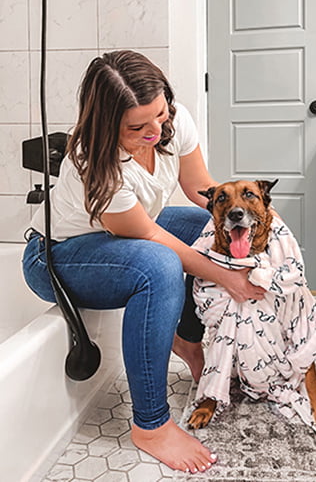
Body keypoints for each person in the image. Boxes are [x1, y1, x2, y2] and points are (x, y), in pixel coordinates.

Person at [22, 50, 266, 473]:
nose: (156, 130)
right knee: (160, 266)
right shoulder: (91, 162)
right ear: (107, 126)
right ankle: (150, 425)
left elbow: (202, 190)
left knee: (200, 226)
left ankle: (189, 344)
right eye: (138, 127)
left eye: (161, 114)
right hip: (59, 255)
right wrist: (232, 280)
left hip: (127, 234)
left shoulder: (171, 119)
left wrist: (253, 219)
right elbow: (151, 238)